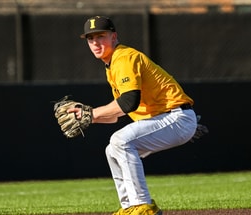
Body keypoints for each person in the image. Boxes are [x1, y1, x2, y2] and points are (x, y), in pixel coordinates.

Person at [72, 16, 198, 215]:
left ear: (114, 37)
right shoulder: (112, 64)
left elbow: (129, 102)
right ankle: (130, 207)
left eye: (101, 36)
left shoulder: (123, 57)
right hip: (168, 119)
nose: (95, 42)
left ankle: (142, 205)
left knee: (120, 140)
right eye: (90, 38)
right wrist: (88, 117)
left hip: (175, 117)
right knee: (112, 150)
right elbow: (116, 114)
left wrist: (91, 113)